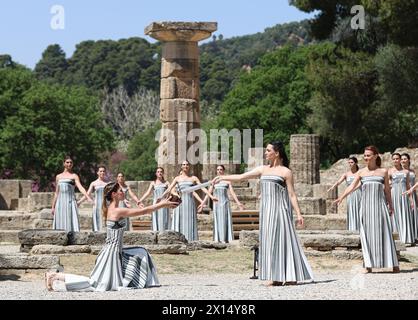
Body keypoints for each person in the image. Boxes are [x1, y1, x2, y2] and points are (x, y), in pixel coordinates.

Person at [45, 181, 179, 292]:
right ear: (114, 194)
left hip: (116, 251)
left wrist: (162, 202)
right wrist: (162, 205)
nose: (123, 192)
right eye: (120, 191)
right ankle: (55, 276)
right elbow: (142, 211)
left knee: (141, 252)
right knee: (95, 284)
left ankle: (142, 281)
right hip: (111, 254)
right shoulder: (116, 210)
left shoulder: (112, 208)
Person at [213, 141, 314, 286]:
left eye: (268, 150)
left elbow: (292, 194)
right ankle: (275, 276)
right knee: (269, 242)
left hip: (280, 211)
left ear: (277, 153)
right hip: (266, 212)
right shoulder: (262, 169)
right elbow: (242, 177)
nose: (265, 153)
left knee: (283, 241)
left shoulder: (286, 172)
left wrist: (298, 214)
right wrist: (223, 177)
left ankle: (290, 275)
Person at [334, 146, 399, 273]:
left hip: (380, 207)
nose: (366, 158)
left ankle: (394, 264)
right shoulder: (361, 172)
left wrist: (390, 206)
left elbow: (387, 190)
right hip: (365, 207)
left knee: (385, 234)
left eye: (368, 155)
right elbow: (351, 187)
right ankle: (368, 265)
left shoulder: (383, 172)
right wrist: (341, 197)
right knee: (366, 235)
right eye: (365, 155)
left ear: (375, 156)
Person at [161, 160, 217, 241]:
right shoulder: (177, 178)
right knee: (179, 219)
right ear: (181, 166)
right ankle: (178, 239)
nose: (185, 166)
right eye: (184, 164)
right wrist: (161, 197)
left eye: (187, 164)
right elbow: (169, 189)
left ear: (189, 166)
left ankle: (191, 239)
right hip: (180, 202)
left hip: (190, 202)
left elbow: (202, 187)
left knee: (189, 219)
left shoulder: (193, 178)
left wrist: (211, 196)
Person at [199, 165, 244, 243]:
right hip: (216, 204)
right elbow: (208, 193)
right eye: (218, 169)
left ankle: (225, 239)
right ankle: (218, 239)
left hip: (225, 203)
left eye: (221, 169)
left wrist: (238, 203)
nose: (219, 171)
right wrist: (202, 203)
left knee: (225, 220)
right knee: (218, 220)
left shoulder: (227, 181)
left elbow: (232, 193)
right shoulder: (213, 182)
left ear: (223, 171)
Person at [51, 156, 92, 232]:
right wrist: (53, 207)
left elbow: (80, 187)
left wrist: (87, 197)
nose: (69, 164)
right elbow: (56, 193)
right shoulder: (58, 177)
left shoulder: (74, 176)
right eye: (67, 162)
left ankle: (72, 236)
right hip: (60, 202)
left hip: (70, 201)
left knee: (71, 219)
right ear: (64, 164)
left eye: (71, 162)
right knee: (61, 219)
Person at [327, 157, 361, 232]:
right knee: (351, 210)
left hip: (358, 193)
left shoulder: (360, 173)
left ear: (356, 163)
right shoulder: (346, 174)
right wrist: (333, 187)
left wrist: (353, 189)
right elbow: (339, 181)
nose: (350, 164)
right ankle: (352, 228)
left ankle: (360, 228)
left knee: (359, 210)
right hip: (349, 194)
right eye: (349, 163)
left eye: (351, 162)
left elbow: (360, 184)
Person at [389, 153, 415, 244]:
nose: (395, 160)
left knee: (404, 214)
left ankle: (406, 238)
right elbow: (387, 185)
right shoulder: (390, 171)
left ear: (400, 160)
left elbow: (408, 186)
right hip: (394, 195)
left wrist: (411, 200)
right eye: (394, 159)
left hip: (404, 195)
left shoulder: (406, 172)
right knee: (395, 215)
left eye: (397, 159)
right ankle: (396, 238)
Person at [138, 167, 171, 231]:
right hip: (156, 204)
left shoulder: (166, 183)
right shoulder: (153, 183)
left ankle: (164, 233)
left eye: (161, 172)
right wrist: (140, 200)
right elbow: (147, 193)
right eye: (158, 172)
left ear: (163, 173)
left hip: (164, 203)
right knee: (156, 219)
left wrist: (167, 199)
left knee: (164, 218)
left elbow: (171, 192)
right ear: (156, 173)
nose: (160, 173)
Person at [78, 166, 108, 231]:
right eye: (100, 171)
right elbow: (87, 194)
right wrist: (79, 202)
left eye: (103, 171)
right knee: (97, 222)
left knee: (105, 222)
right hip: (96, 205)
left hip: (105, 205)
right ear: (97, 172)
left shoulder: (107, 184)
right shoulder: (94, 183)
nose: (102, 172)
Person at [401, 153, 418, 242]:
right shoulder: (399, 171)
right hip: (404, 193)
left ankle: (414, 235)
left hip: (413, 193)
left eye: (405, 159)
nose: (403, 160)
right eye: (402, 159)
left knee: (413, 212)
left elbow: (415, 182)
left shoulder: (412, 171)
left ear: (408, 160)